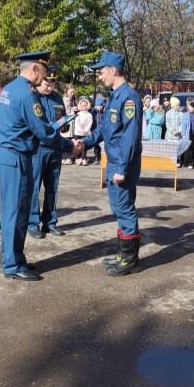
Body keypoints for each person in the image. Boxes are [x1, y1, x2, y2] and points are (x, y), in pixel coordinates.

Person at [0, 51, 75, 281]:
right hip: (17, 157)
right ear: (33, 69)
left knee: (16, 211)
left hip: (9, 155)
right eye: (43, 70)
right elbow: (43, 131)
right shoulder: (28, 94)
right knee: (15, 212)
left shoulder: (10, 88)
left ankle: (16, 259)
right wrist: (69, 144)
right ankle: (12, 266)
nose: (45, 76)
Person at [77, 51, 143, 277]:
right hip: (114, 161)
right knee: (118, 208)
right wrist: (83, 143)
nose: (100, 76)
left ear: (113, 70)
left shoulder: (129, 97)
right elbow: (106, 130)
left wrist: (123, 169)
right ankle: (122, 254)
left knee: (124, 209)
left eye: (101, 71)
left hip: (121, 164)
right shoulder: (114, 96)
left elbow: (130, 137)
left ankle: (130, 260)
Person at [28, 67, 67, 240]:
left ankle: (50, 222)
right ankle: (32, 223)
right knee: (34, 187)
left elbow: (63, 120)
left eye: (52, 84)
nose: (49, 88)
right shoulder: (32, 97)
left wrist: (64, 123)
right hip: (38, 149)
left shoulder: (57, 98)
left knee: (53, 187)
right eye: (46, 84)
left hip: (55, 148)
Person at [73, 96, 93, 164]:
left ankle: (83, 157)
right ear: (80, 106)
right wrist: (80, 130)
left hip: (85, 133)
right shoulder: (78, 114)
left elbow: (90, 123)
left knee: (84, 146)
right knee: (77, 145)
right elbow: (76, 123)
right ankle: (77, 158)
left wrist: (85, 130)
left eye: (85, 105)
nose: (84, 106)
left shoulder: (89, 115)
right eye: (82, 105)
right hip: (77, 132)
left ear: (87, 105)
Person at [91, 96, 106, 165]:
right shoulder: (93, 113)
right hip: (95, 130)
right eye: (97, 105)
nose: (99, 107)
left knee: (103, 145)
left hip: (103, 131)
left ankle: (103, 158)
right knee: (96, 145)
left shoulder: (105, 113)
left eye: (100, 105)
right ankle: (97, 157)